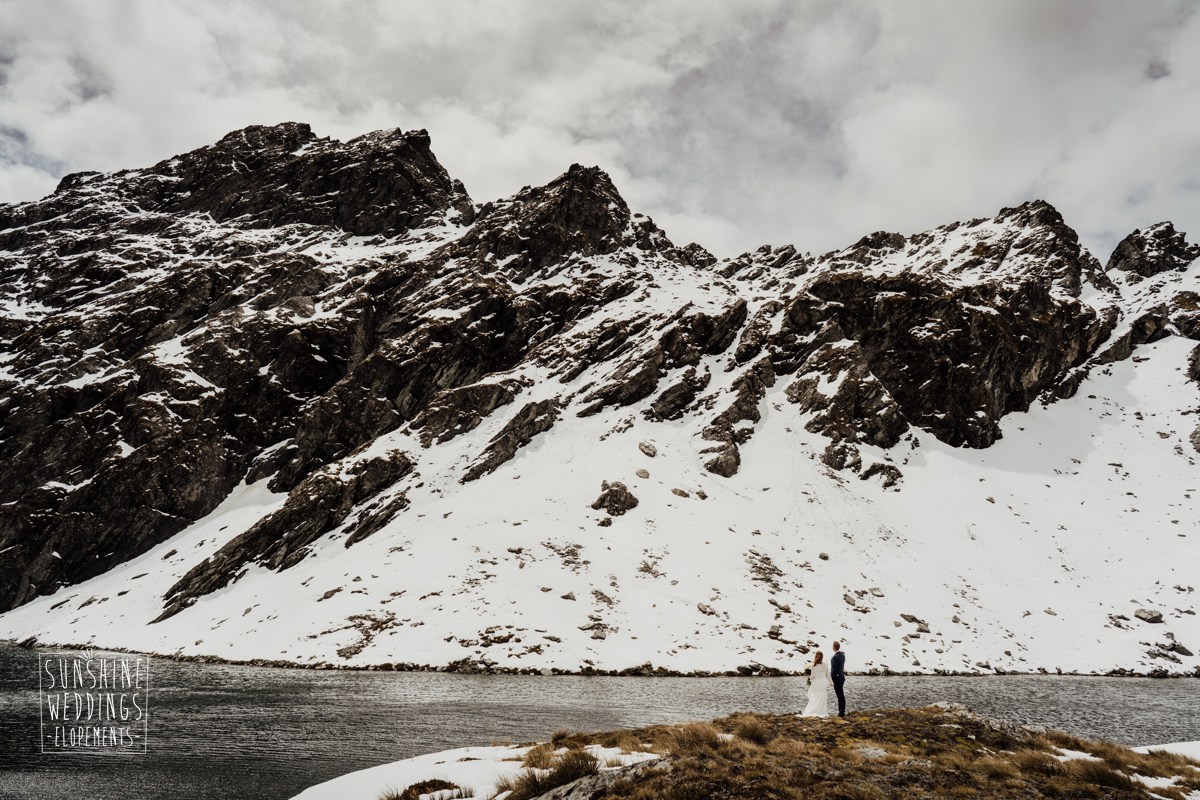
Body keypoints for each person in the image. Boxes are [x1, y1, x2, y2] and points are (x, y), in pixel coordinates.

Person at [800, 650, 833, 717]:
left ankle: (813, 710)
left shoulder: (814, 665)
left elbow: (813, 676)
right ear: (822, 657)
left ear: (815, 657)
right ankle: (822, 712)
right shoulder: (825, 665)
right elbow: (828, 675)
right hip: (823, 683)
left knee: (815, 696)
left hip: (816, 683)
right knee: (822, 697)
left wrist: (808, 678)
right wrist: (831, 682)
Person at [830, 641, 846, 717]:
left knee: (840, 695)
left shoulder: (834, 658)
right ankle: (841, 711)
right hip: (842, 677)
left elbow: (833, 670)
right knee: (841, 695)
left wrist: (831, 680)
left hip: (837, 678)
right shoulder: (843, 656)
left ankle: (841, 712)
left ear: (833, 647)